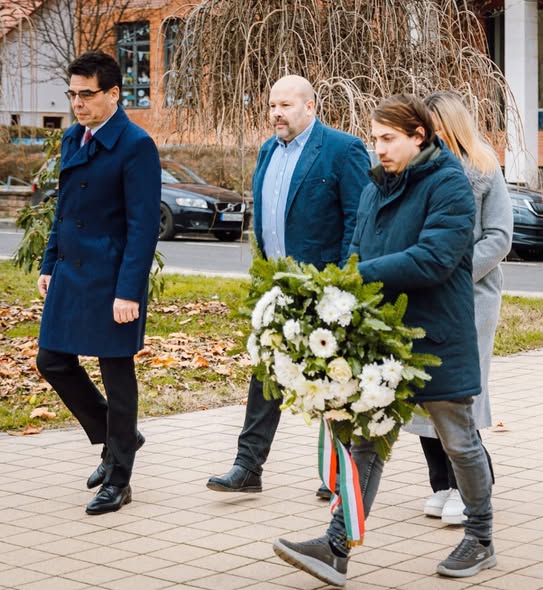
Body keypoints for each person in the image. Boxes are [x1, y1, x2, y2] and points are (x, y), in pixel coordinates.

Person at [273, 94, 495, 586]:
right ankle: (337, 546)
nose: (379, 149)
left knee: (458, 441)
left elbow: (433, 259)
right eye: (374, 139)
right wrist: (340, 295)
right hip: (382, 341)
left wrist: (355, 276)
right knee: (366, 445)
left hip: (436, 337)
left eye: (389, 139)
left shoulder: (450, 184)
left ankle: (481, 538)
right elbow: (356, 249)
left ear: (419, 136)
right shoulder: (377, 185)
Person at [207, 74, 371, 494]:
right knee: (266, 373)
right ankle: (248, 467)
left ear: (310, 107)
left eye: (285, 105)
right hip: (276, 287)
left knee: (335, 378)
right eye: (272, 105)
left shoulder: (342, 149)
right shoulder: (267, 150)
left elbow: (358, 220)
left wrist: (342, 282)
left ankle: (341, 475)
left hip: (325, 288)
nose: (276, 113)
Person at [36, 51, 161, 515]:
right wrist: (49, 262)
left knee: (116, 371)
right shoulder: (73, 137)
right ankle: (118, 434)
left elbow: (143, 227)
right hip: (71, 271)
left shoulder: (136, 145)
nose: (77, 104)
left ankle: (119, 479)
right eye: (72, 94)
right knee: (51, 360)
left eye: (86, 94)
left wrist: (129, 291)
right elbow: (63, 209)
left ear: (113, 93)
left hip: (112, 279)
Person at [404, 91, 513, 524]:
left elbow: (499, 238)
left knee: (458, 395)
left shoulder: (484, 169)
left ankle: (474, 489)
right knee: (424, 393)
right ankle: (442, 484)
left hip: (471, 298)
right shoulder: (418, 171)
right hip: (425, 296)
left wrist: (452, 272)